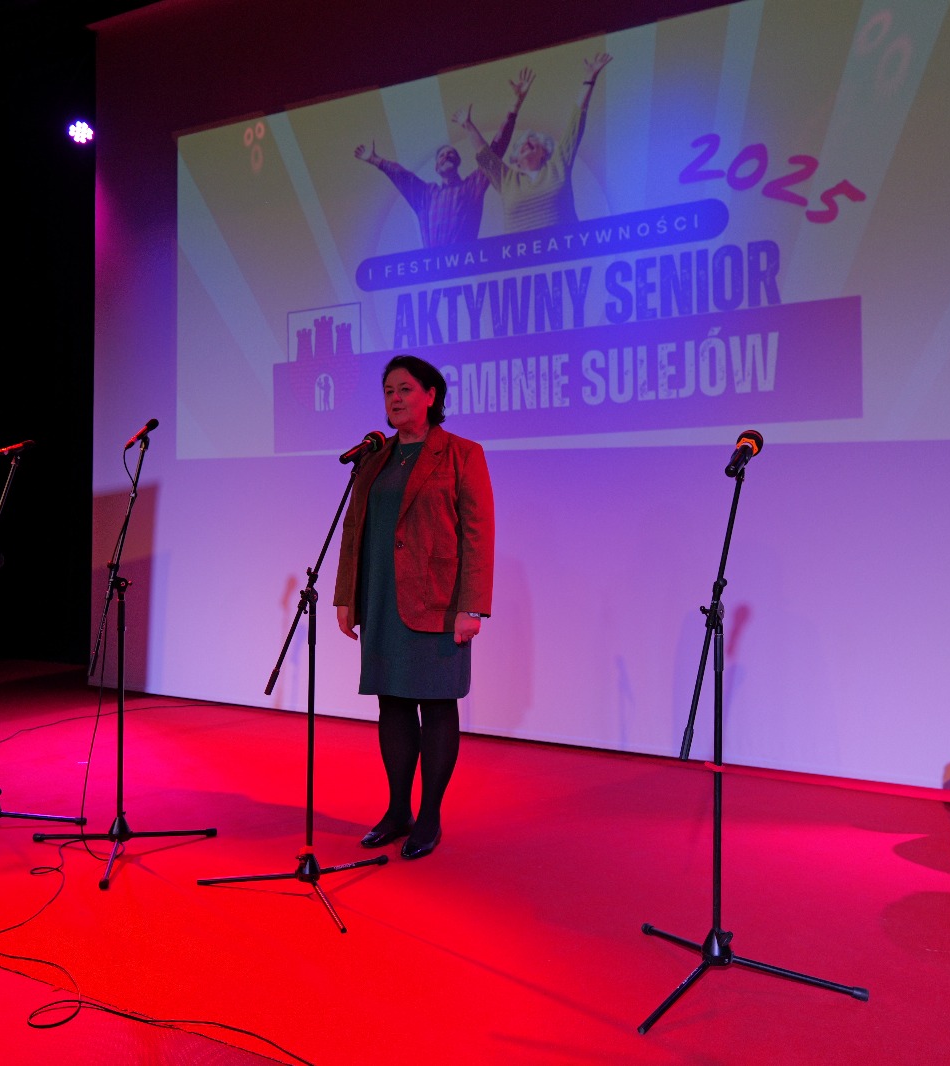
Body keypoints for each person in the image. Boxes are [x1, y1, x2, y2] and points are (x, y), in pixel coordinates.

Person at [333, 355, 494, 860]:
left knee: (437, 704)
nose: (395, 399)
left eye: (404, 389)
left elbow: (478, 533)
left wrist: (472, 607)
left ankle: (429, 815)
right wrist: (346, 596)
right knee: (393, 704)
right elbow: (354, 531)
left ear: (430, 395)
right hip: (382, 596)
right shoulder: (374, 458)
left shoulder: (462, 453)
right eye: (388, 391)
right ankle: (398, 809)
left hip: (439, 601)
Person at [355, 69, 534, 248]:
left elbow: (494, 153)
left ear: (458, 162)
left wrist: (514, 107)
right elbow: (402, 175)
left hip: (463, 261)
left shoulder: (471, 187)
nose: (447, 155)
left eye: (451, 154)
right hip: (434, 264)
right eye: (442, 155)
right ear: (436, 167)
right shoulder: (426, 195)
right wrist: (375, 159)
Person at [454, 52, 612, 232]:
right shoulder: (507, 180)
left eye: (534, 141)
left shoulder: (558, 164)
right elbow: (486, 156)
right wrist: (468, 125)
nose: (527, 142)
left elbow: (575, 125)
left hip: (566, 249)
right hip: (522, 251)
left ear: (544, 152)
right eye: (521, 144)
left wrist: (589, 79)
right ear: (516, 160)